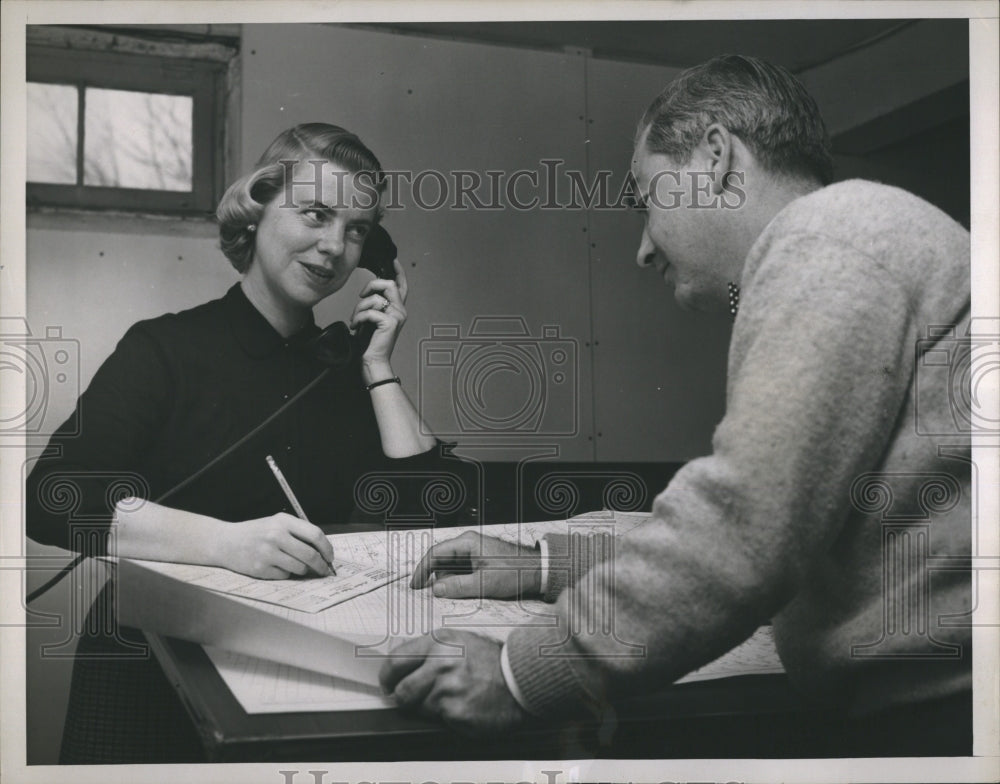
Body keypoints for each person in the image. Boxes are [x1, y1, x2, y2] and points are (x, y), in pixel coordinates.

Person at [379, 55, 972, 755]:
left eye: (646, 199)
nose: (640, 249)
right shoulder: (849, 238)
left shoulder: (831, 238)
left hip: (943, 725)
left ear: (717, 158)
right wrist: (542, 565)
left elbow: (744, 527)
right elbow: (787, 528)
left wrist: (516, 674)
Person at [26, 123, 448, 763]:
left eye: (357, 229)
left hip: (296, 673)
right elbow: (52, 498)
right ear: (256, 211)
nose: (334, 246)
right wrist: (228, 543)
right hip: (150, 670)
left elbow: (433, 517)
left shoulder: (339, 371)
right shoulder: (163, 348)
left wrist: (378, 364)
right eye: (315, 213)